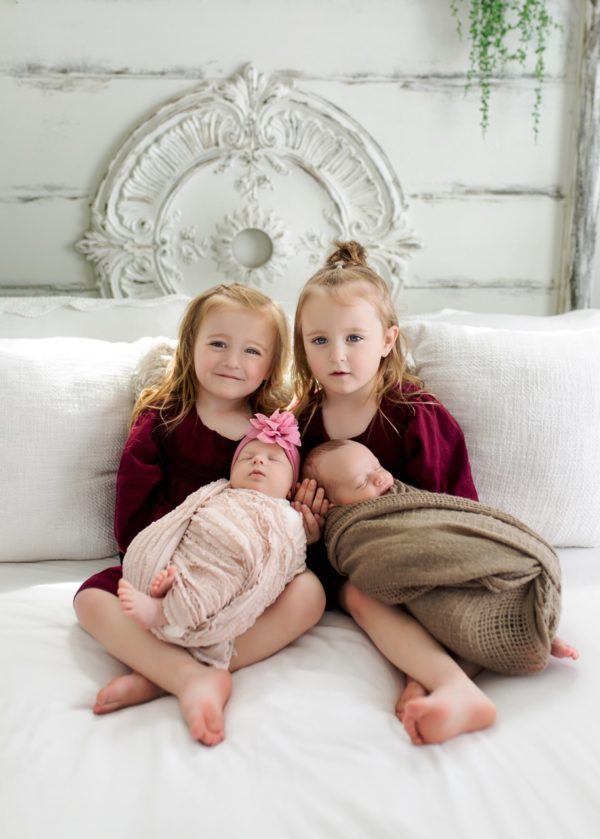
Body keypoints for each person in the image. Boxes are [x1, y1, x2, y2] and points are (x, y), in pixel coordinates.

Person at [290, 240, 572, 744]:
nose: (337, 355)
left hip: (426, 554)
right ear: (302, 346)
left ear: (387, 340)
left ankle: (450, 673)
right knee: (360, 595)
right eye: (319, 340)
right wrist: (308, 531)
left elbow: (452, 510)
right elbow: (304, 525)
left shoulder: (414, 413)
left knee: (445, 595)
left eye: (354, 337)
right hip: (358, 567)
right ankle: (448, 681)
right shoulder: (301, 426)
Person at [74, 284, 326, 746]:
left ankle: (173, 672)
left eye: (252, 351)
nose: (233, 361)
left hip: (245, 577)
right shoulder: (163, 419)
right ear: (190, 345)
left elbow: (282, 515)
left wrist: (306, 529)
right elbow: (133, 515)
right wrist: (169, 571)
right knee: (92, 597)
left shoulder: (276, 432)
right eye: (218, 343)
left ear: (272, 364)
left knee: (310, 593)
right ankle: (187, 676)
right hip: (169, 570)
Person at [301, 439, 579, 743]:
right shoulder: (354, 529)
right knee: (421, 596)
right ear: (332, 505)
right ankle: (474, 667)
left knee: (452, 581)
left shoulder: (410, 485)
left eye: (377, 467)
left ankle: (442, 678)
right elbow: (383, 563)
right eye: (361, 482)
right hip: (419, 575)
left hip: (494, 561)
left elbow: (448, 521)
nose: (379, 478)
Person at [118, 410, 307, 671]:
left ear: (291, 487)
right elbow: (185, 515)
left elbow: (291, 557)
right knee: (183, 564)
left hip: (234, 564)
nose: (258, 461)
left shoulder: (288, 517)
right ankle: (169, 587)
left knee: (213, 587)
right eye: (248, 457)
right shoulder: (218, 491)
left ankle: (163, 611)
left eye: (273, 459)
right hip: (201, 544)